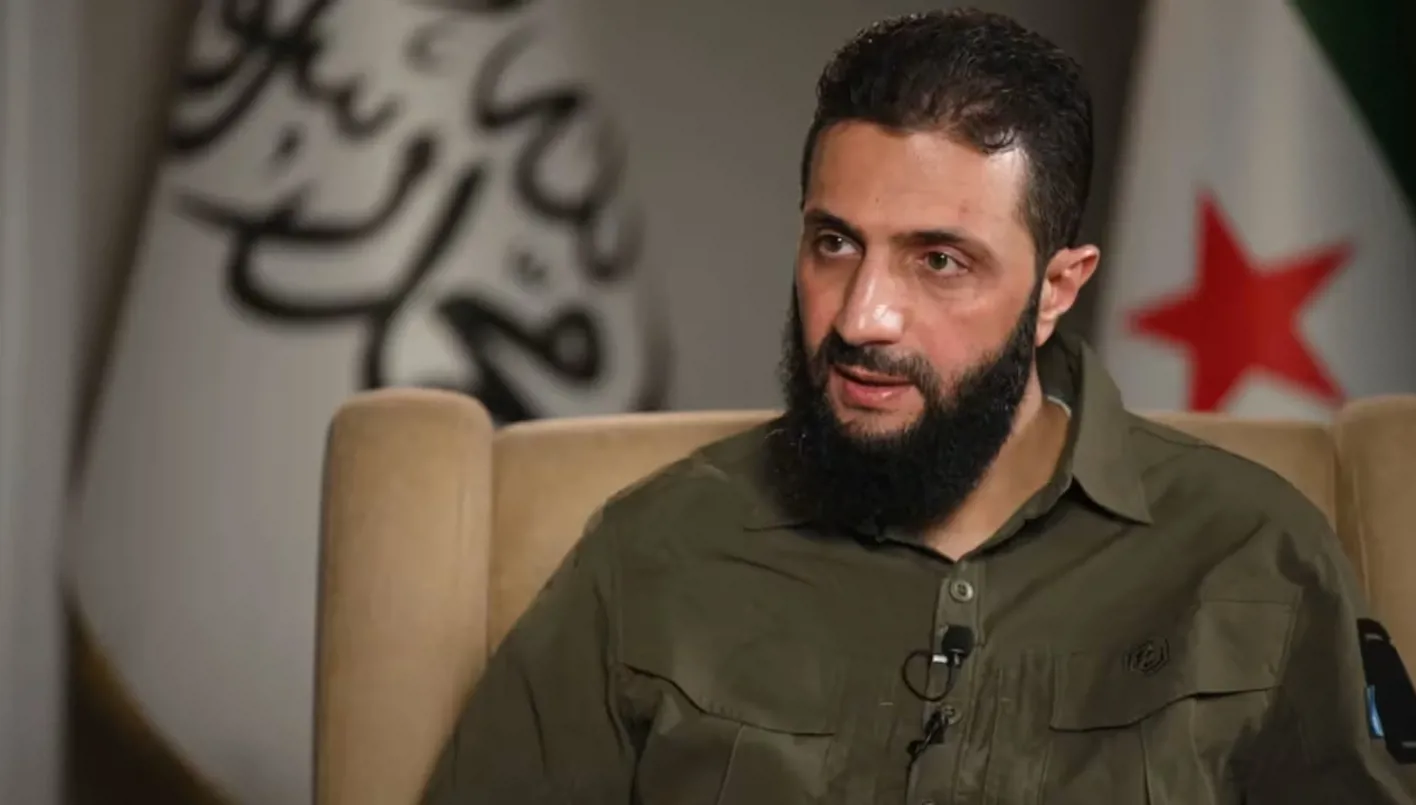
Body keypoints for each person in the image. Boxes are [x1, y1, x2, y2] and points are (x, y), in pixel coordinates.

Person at [420, 8, 1416, 804]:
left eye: (939, 260)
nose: (863, 316)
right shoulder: (650, 552)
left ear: (1057, 289)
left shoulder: (1254, 553)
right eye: (834, 244)